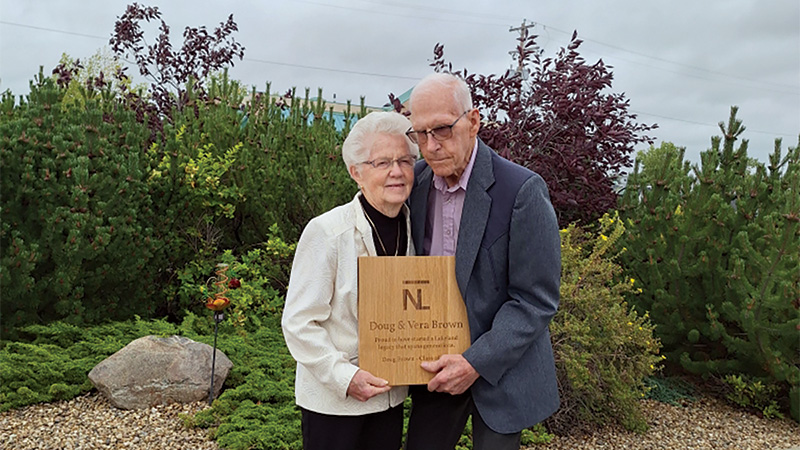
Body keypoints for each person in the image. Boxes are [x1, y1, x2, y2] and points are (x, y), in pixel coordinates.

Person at [403, 73, 561, 450]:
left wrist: (475, 361)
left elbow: (535, 300)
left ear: (473, 121)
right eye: (419, 133)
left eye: (441, 129)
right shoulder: (416, 184)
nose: (430, 145)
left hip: (501, 370)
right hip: (436, 367)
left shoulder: (522, 190)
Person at [281, 111, 419, 450]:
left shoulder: (416, 227)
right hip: (336, 402)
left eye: (405, 160)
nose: (396, 171)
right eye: (382, 162)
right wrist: (346, 377)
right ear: (355, 172)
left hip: (389, 396)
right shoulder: (327, 232)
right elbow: (298, 323)